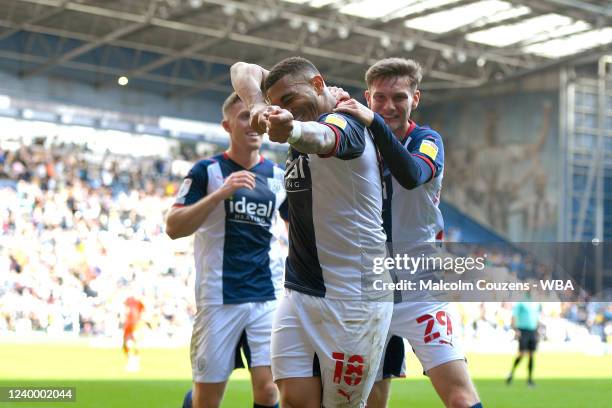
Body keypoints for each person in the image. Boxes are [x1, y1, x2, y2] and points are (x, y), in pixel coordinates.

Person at [230, 57, 393, 408]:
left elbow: (323, 138)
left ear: (318, 85)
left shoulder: (346, 121)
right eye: (279, 103)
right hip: (300, 290)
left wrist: (290, 129)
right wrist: (260, 106)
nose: (284, 108)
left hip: (354, 297)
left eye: (290, 99)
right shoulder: (298, 113)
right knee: (293, 400)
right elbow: (242, 69)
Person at [333, 57, 482, 408]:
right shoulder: (355, 143)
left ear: (416, 98)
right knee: (364, 401)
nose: (388, 106)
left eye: (399, 97)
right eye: (380, 98)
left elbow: (412, 174)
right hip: (364, 292)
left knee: (460, 397)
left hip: (420, 292)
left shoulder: (427, 140)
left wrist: (372, 122)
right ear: (368, 97)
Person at [165, 92, 287, 408]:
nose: (253, 123)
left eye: (257, 116)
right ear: (227, 125)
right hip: (220, 296)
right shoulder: (207, 171)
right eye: (244, 116)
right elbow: (173, 227)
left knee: (269, 391)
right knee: (207, 400)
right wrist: (220, 194)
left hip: (266, 295)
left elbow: (300, 228)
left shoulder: (278, 176)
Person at [506, 298, 541, 387]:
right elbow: (514, 315)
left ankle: (529, 379)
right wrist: (515, 329)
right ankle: (511, 372)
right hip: (523, 331)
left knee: (531, 355)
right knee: (522, 354)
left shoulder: (536, 304)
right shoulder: (521, 303)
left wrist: (537, 330)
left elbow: (536, 317)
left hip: (532, 331)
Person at [122, 295, 145, 372]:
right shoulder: (128, 299)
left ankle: (135, 361)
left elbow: (144, 310)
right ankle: (130, 360)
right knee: (126, 343)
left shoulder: (140, 301)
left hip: (136, 324)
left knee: (136, 341)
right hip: (128, 324)